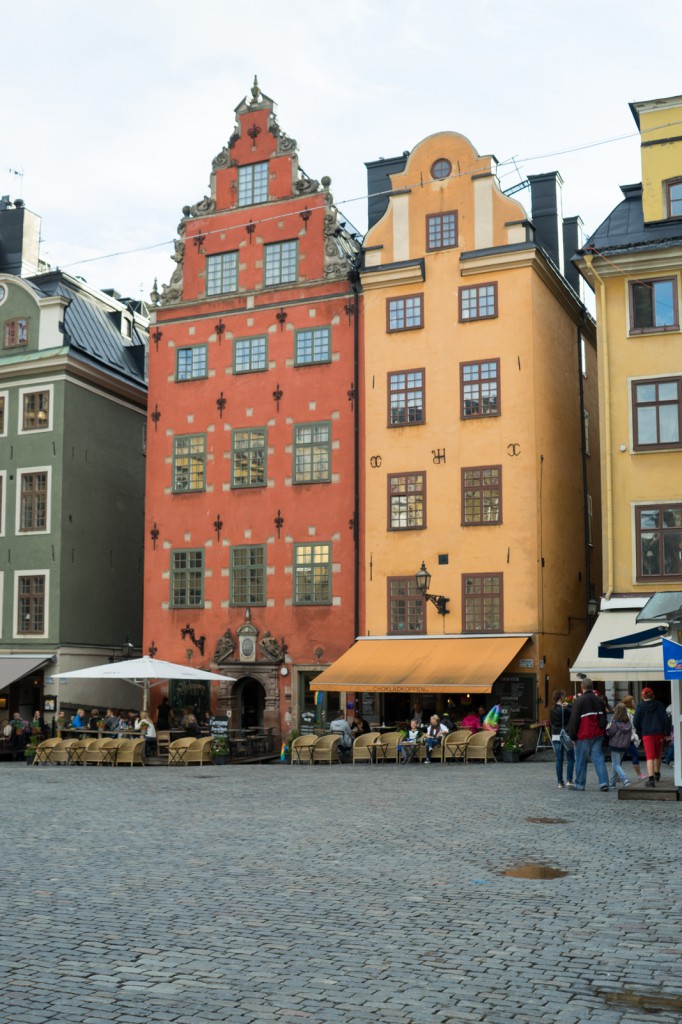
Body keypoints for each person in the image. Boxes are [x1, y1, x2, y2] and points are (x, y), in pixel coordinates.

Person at [567, 677, 609, 792]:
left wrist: (572, 736)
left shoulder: (579, 701)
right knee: (599, 758)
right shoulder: (599, 700)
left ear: (582, 687)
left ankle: (580, 784)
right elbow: (604, 717)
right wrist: (602, 729)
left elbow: (574, 720)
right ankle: (604, 782)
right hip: (597, 734)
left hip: (583, 735)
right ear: (592, 687)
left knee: (581, 760)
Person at [633, 687, 670, 788]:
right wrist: (667, 732)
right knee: (657, 754)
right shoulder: (660, 705)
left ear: (642, 696)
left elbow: (635, 722)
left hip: (647, 733)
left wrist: (642, 729)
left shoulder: (640, 707)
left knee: (650, 756)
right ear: (653, 696)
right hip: (659, 733)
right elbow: (665, 719)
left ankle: (651, 779)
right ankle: (657, 774)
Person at [549, 689, 575, 789]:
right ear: (561, 697)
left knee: (559, 759)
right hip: (565, 735)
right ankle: (569, 780)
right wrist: (568, 705)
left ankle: (560, 782)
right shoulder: (565, 709)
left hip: (555, 735)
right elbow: (574, 712)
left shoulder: (552, 709)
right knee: (570, 758)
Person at [605, 703, 634, 789]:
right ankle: (612, 783)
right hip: (624, 745)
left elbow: (610, 732)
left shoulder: (614, 722)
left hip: (615, 745)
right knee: (616, 764)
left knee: (616, 764)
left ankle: (625, 779)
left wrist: (606, 730)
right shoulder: (628, 722)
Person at [622, 695, 645, 779]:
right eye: (633, 701)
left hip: (629, 737)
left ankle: (615, 777)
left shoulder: (632, 711)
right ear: (629, 703)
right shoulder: (627, 713)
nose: (634, 703)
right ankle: (639, 775)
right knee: (634, 754)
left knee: (620, 757)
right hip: (628, 737)